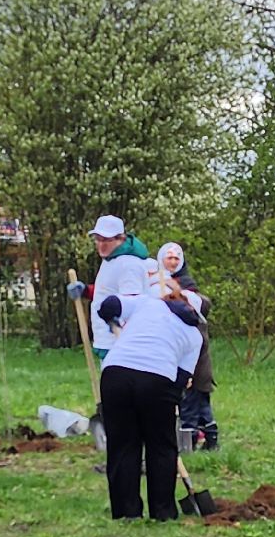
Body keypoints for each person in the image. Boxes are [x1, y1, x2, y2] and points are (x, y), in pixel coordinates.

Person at [94, 279, 204, 520]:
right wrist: (169, 402)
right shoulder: (195, 337)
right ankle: (162, 512)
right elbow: (182, 379)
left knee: (123, 444)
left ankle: (126, 512)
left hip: (115, 374)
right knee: (161, 446)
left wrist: (113, 322)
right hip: (156, 379)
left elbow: (108, 304)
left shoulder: (147, 304)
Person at [159, 242, 219, 451]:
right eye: (169, 258)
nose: (173, 262)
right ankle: (210, 438)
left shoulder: (188, 291)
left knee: (192, 403)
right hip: (187, 360)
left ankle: (191, 439)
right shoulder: (153, 283)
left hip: (193, 363)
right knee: (199, 403)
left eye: (177, 258)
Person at [66, 215, 152, 359]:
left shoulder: (129, 264)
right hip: (106, 340)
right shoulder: (111, 259)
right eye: (98, 239)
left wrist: (121, 337)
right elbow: (107, 292)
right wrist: (86, 291)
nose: (101, 244)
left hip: (121, 344)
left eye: (106, 240)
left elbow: (132, 304)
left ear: (121, 239)